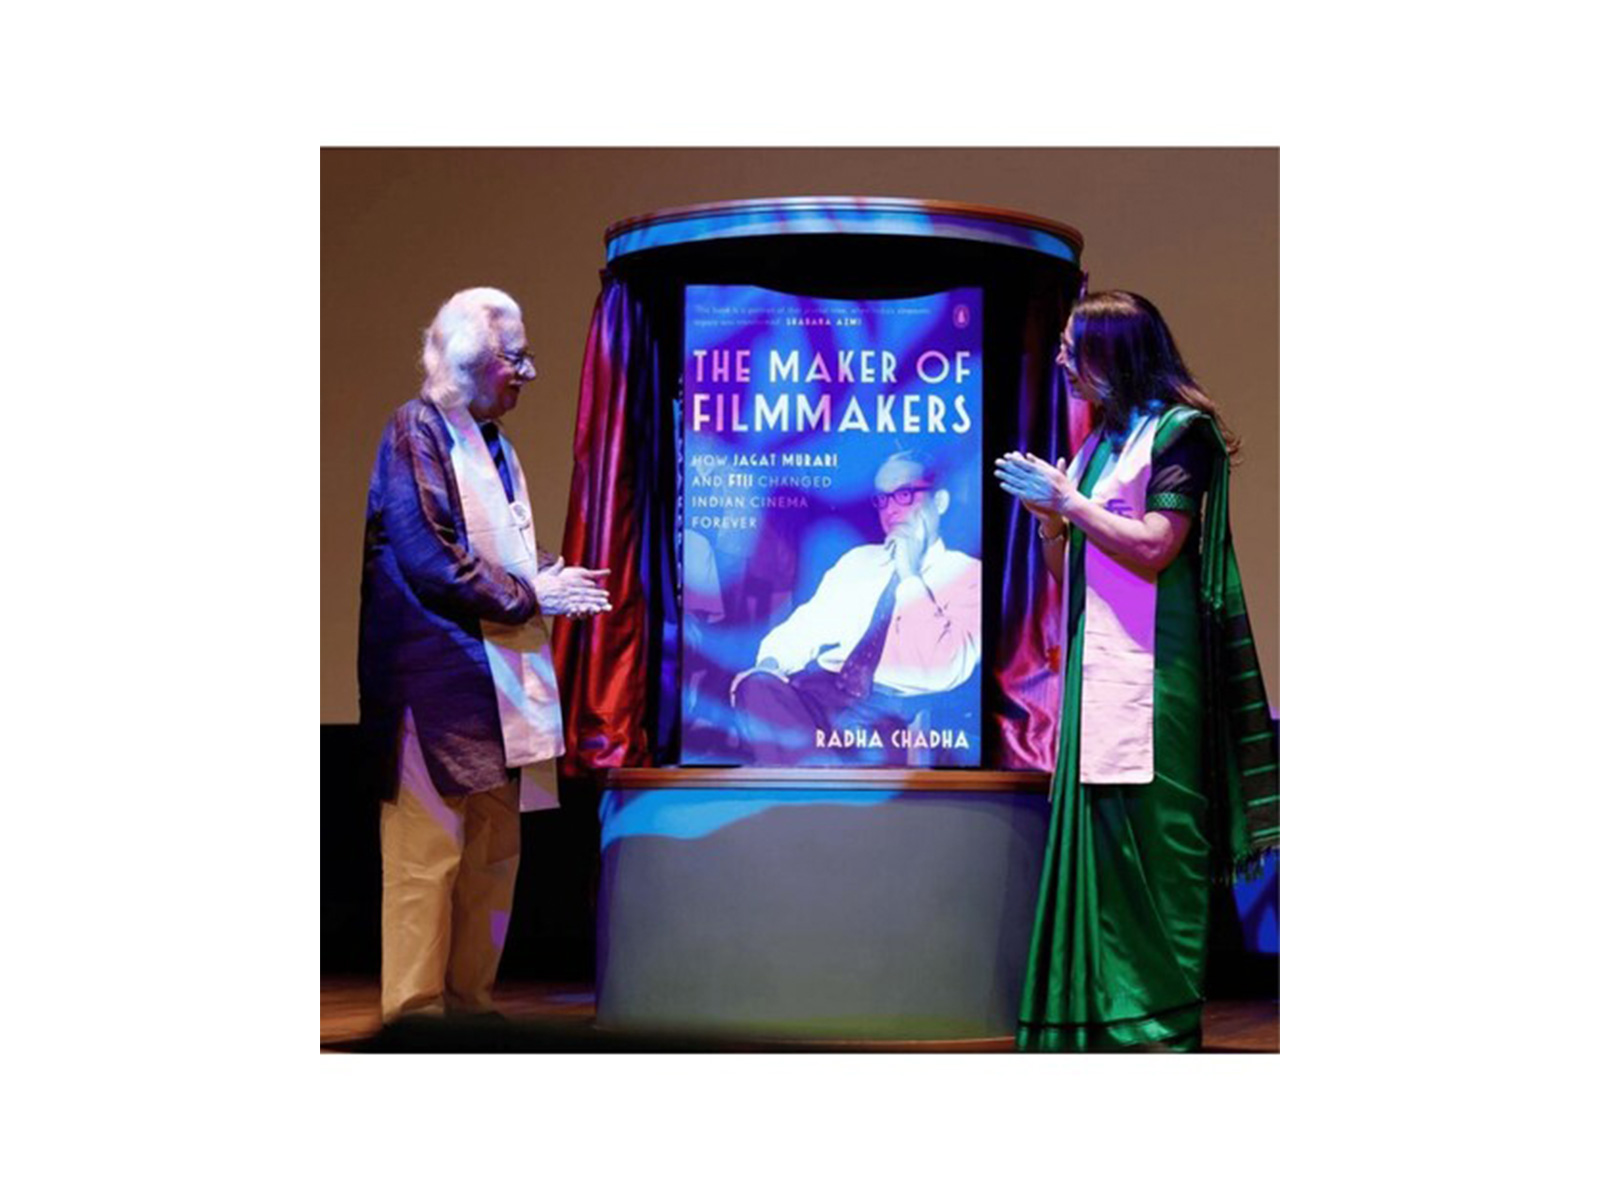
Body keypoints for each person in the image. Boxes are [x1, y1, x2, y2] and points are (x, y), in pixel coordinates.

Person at [994, 290, 1278, 1051]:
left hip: (1159, 674)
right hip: (1099, 667)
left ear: (1113, 354)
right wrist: (1050, 520)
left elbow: (1157, 546)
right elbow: (1069, 575)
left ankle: (1155, 1025)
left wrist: (1070, 504)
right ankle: (1095, 1017)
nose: (1059, 358)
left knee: (1156, 842)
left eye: (1070, 344)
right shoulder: (1095, 447)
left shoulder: (1184, 434)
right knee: (1105, 844)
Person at [358, 286, 611, 1024]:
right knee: (425, 861)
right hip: (432, 690)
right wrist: (537, 595)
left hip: (500, 684)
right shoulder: (417, 431)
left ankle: (470, 1005)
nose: (528, 372)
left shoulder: (491, 443)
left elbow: (499, 551)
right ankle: (415, 1012)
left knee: (493, 861)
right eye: (516, 357)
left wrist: (553, 576)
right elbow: (430, 555)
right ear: (470, 363)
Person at [730, 449, 981, 765]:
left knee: (818, 747)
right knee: (755, 686)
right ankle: (824, 775)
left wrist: (909, 575)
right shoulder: (858, 562)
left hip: (892, 711)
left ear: (939, 501)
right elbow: (804, 628)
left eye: (904, 494)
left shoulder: (967, 574)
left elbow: (943, 668)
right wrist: (770, 663)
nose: (890, 509)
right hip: (821, 694)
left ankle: (817, 782)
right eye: (882, 499)